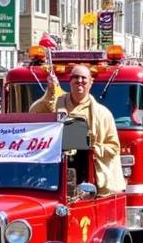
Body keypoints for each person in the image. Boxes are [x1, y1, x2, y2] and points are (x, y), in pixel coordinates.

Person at [29, 64, 124, 194]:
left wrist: (93, 149)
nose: (79, 81)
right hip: (55, 177)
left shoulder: (103, 114)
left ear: (91, 82)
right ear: (70, 81)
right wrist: (49, 91)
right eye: (75, 77)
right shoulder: (55, 104)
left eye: (84, 78)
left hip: (90, 180)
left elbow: (114, 147)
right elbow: (33, 113)